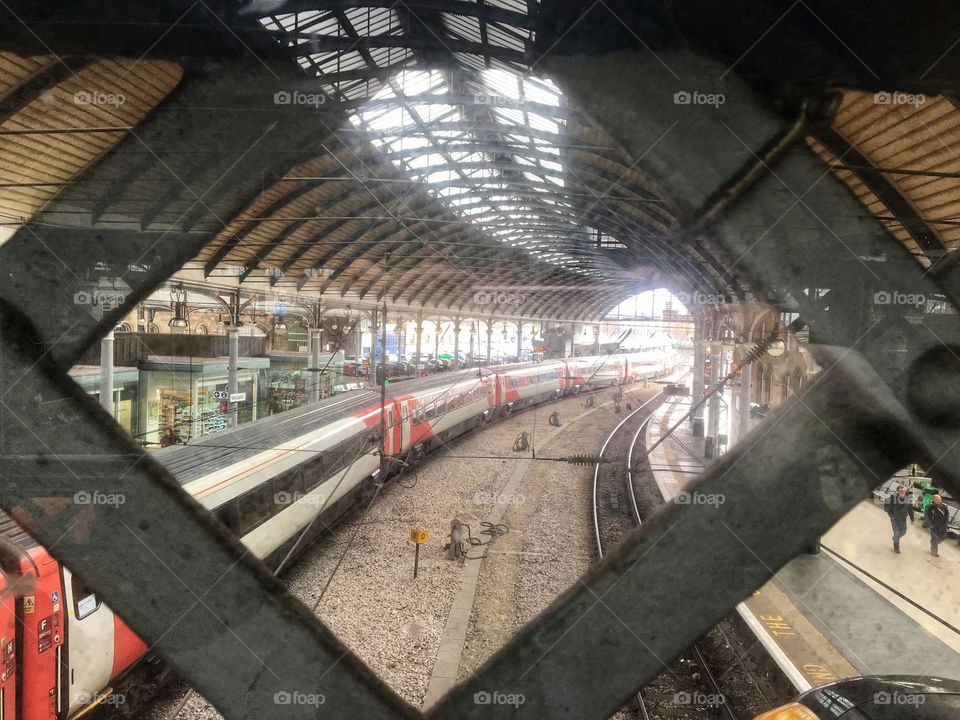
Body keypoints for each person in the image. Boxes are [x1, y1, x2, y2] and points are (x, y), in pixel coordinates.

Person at [884, 484, 914, 553]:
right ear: (897, 491)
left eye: (903, 491)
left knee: (904, 532)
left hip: (903, 519)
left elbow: (910, 509)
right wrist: (891, 516)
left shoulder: (908, 499)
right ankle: (896, 548)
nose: (902, 492)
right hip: (895, 519)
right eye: (901, 491)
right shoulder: (892, 498)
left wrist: (912, 519)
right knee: (897, 532)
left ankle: (895, 538)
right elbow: (887, 508)